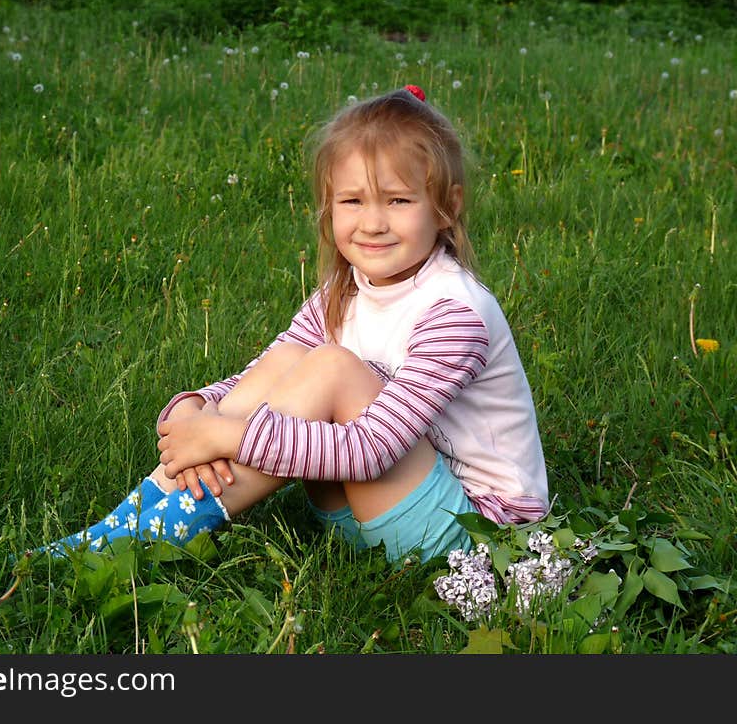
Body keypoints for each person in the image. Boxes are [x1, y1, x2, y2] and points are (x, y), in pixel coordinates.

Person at [43, 85, 549, 565]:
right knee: (292, 358)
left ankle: (140, 542)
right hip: (367, 512)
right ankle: (123, 526)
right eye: (353, 201)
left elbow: (372, 449)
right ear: (329, 206)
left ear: (447, 207)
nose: (372, 223)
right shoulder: (342, 291)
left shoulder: (454, 312)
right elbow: (269, 374)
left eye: (398, 200)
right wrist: (196, 410)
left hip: (476, 540)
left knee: (330, 367)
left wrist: (226, 438)